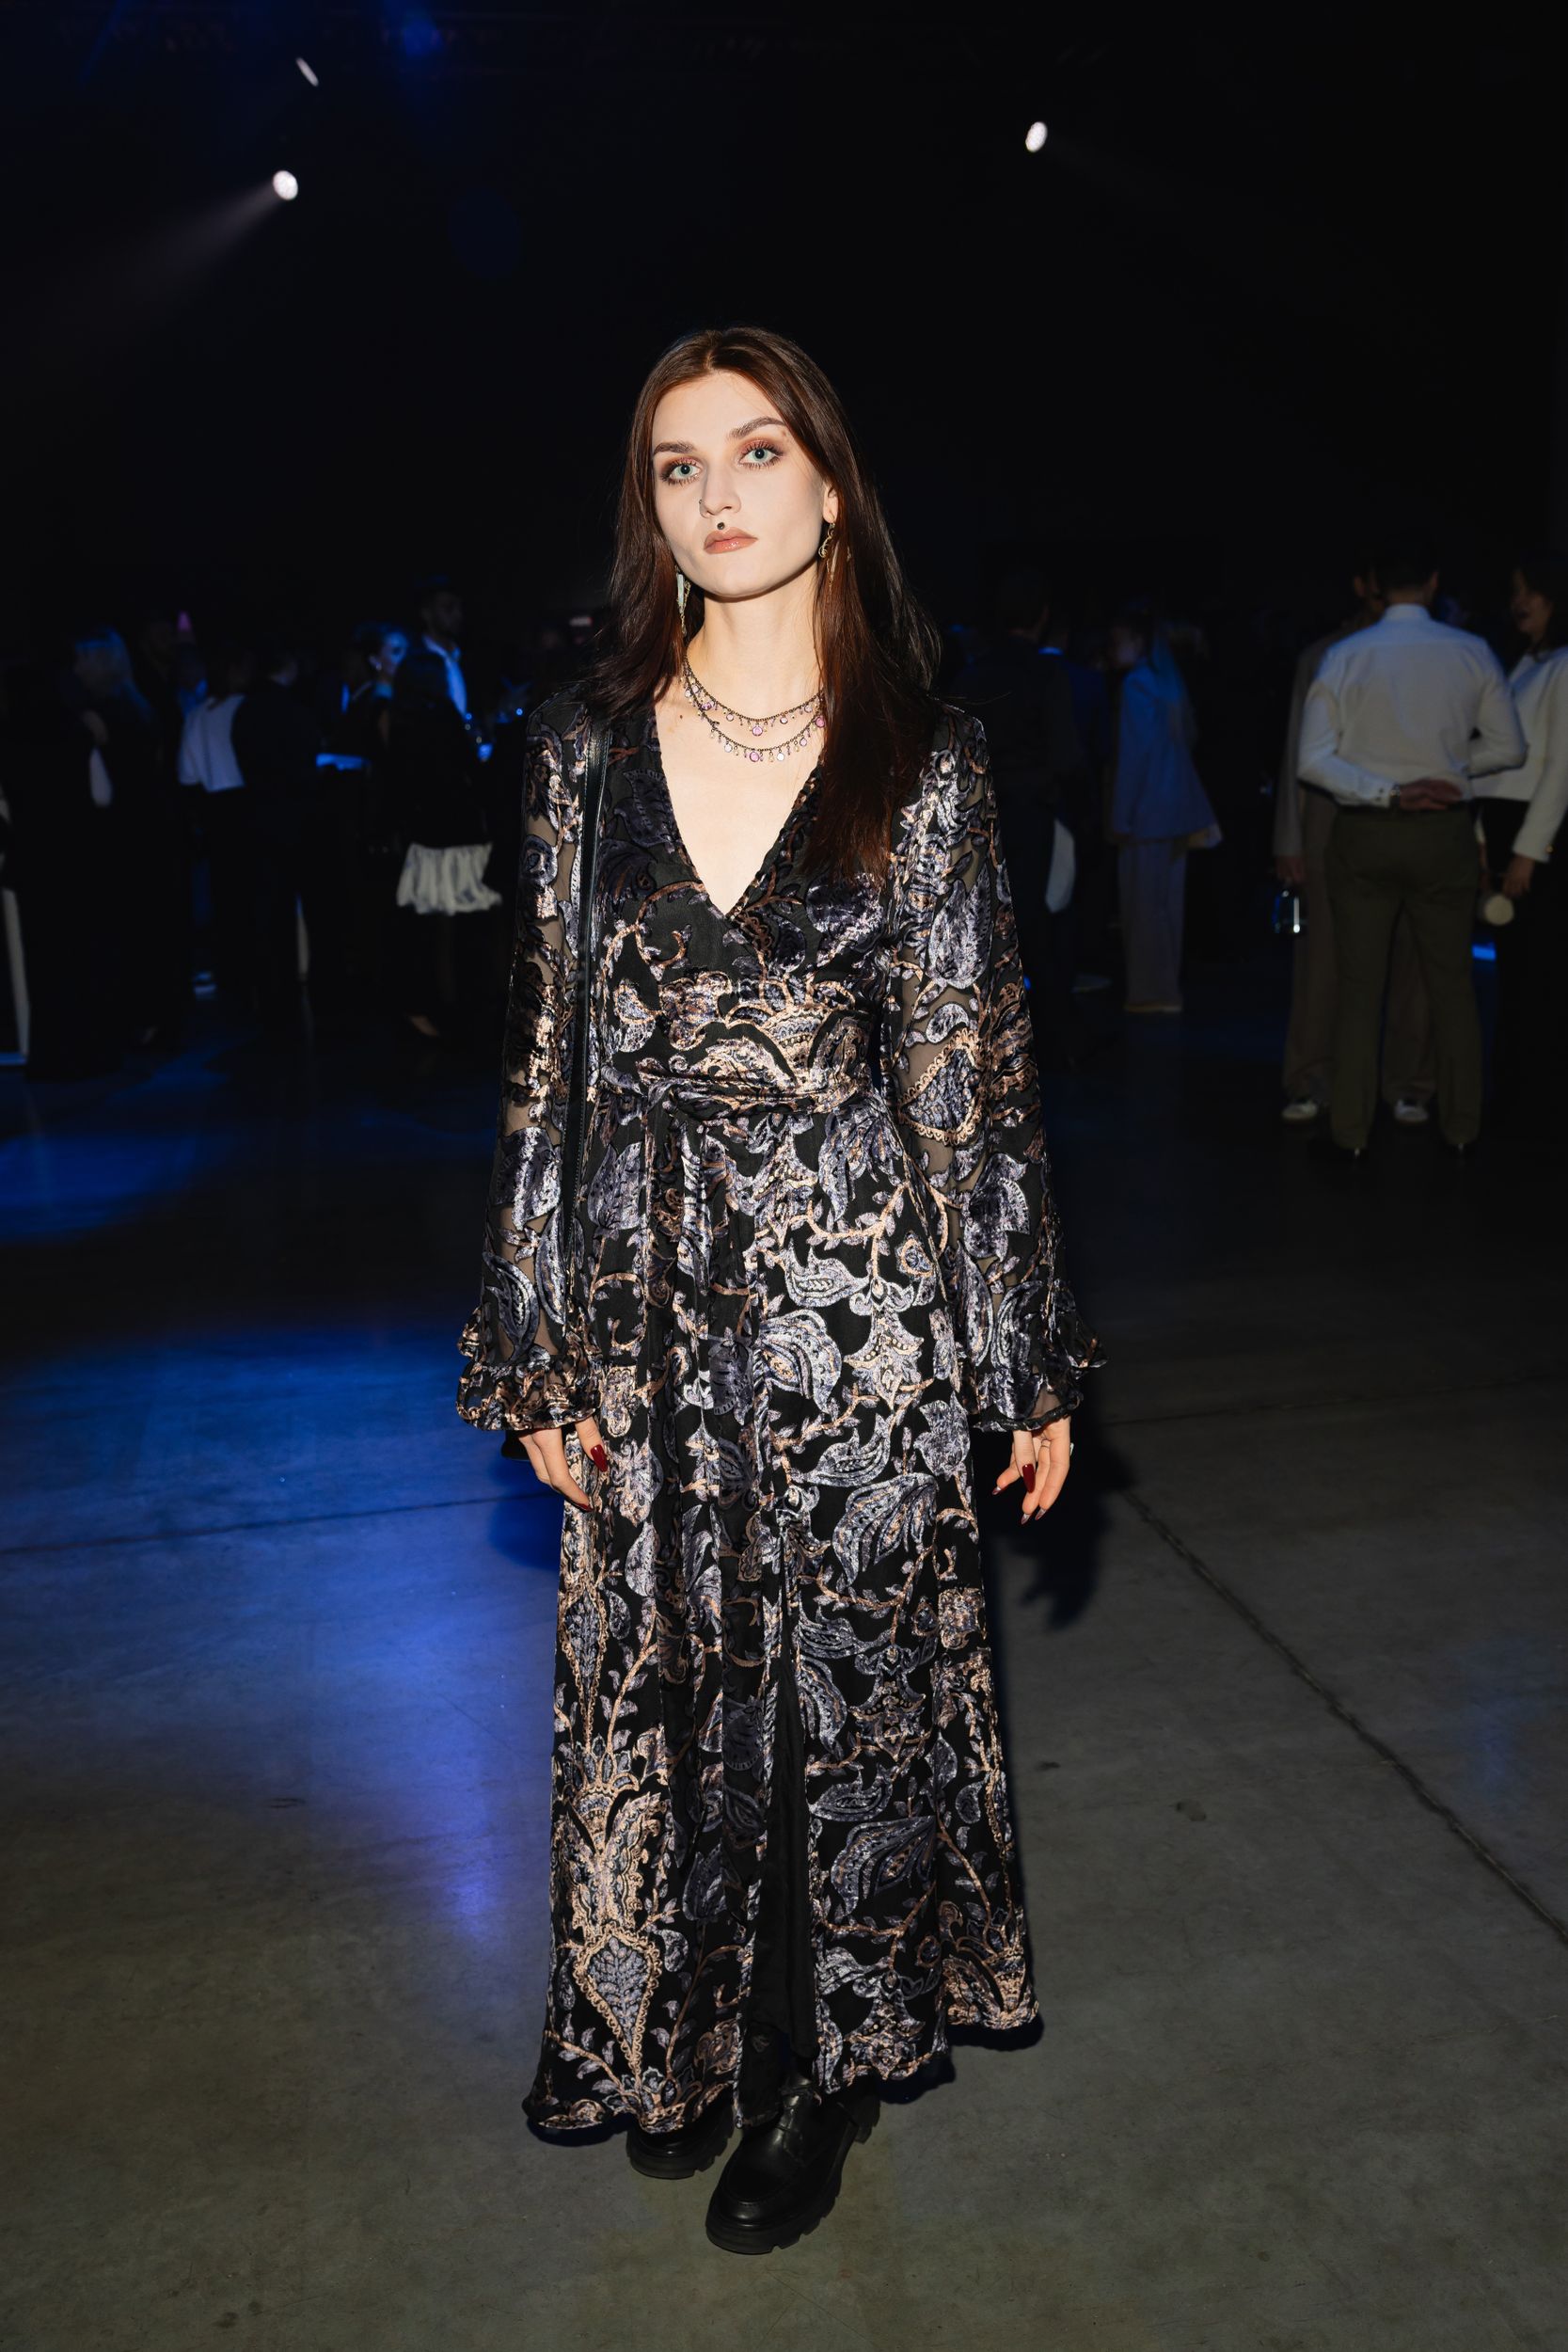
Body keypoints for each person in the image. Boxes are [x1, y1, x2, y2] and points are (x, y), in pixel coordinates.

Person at [454, 325, 1099, 2256]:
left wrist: (1020, 1361)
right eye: (676, 465)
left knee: (841, 1699)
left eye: (753, 451)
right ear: (647, 506)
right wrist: (531, 1346)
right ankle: (681, 2037)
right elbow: (545, 1067)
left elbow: (969, 1082)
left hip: (857, 1303)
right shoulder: (577, 749)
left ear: (827, 486)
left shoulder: (925, 755)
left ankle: (808, 2074)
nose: (715, 493)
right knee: (660, 1688)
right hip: (641, 1297)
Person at [1297, 535, 1526, 1156]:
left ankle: (1349, 1131)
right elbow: (1509, 748)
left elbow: (1311, 760)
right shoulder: (1471, 650)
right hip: (1442, 832)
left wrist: (1389, 791)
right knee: (1451, 986)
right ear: (1432, 583)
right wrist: (1446, 770)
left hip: (1365, 831)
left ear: (1374, 584)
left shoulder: (1345, 654)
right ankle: (1461, 1127)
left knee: (1358, 988)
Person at [1274, 565, 1435, 1126]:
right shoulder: (1326, 654)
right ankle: (1311, 1075)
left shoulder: (1436, 651)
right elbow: (1297, 752)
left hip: (1413, 819)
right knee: (1322, 957)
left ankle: (1409, 1083)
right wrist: (1289, 838)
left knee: (1414, 955)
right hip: (1332, 818)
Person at [956, 565, 1085, 1067]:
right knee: (1044, 924)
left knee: (988, 928)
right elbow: (1067, 754)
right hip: (1034, 812)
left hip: (983, 814)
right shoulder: (1047, 674)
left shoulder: (974, 673)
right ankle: (1055, 1039)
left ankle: (996, 1044)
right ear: (1043, 616)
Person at [1470, 554, 1568, 1141]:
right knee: (1515, 975)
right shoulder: (1526, 663)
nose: (1519, 601)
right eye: (1515, 591)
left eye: (1531, 591)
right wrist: (1485, 839)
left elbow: (1561, 768)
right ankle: (1514, 1098)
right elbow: (1498, 761)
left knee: (1541, 976)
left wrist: (1531, 849)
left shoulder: (1564, 665)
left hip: (1540, 830)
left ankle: (1537, 1106)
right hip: (1507, 824)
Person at [1106, 604, 1221, 1013]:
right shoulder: (1163, 683)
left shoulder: (1137, 684)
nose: (1111, 649)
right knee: (1166, 905)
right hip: (1176, 808)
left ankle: (1152, 992)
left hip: (1147, 813)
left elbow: (1134, 757)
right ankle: (1164, 987)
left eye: (1118, 641)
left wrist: (1120, 815)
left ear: (1139, 641)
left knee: (1143, 907)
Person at [385, 647, 500, 1040]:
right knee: (462, 928)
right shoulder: (443, 716)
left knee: (433, 929)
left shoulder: (399, 719)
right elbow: (470, 771)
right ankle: (462, 1009)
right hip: (455, 828)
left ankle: (436, 1007)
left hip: (424, 834)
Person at [230, 635, 338, 1031]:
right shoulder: (293, 710)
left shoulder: (245, 711)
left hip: (261, 824)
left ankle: (276, 999)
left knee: (271, 916)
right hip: (301, 823)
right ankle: (324, 995)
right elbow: (305, 768)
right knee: (318, 913)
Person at [178, 644, 256, 1004]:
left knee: (227, 896)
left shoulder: (197, 715)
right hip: (246, 805)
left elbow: (187, 775)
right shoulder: (246, 708)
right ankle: (253, 972)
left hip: (217, 811)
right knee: (251, 894)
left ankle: (235, 973)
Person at [414, 577, 471, 718]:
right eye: (448, 608)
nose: (458, 615)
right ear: (427, 613)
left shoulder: (467, 657)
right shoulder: (415, 661)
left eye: (459, 608)